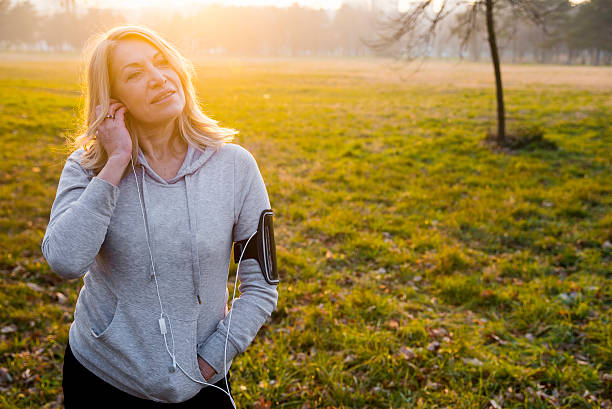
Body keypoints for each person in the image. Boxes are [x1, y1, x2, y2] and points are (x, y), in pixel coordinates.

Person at [41, 25, 279, 408]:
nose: (158, 79)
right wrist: (116, 163)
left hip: (202, 379)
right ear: (113, 100)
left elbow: (261, 286)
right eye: (134, 75)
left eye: (161, 63)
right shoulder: (89, 167)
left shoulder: (236, 167)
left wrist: (209, 362)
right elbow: (65, 260)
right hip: (103, 375)